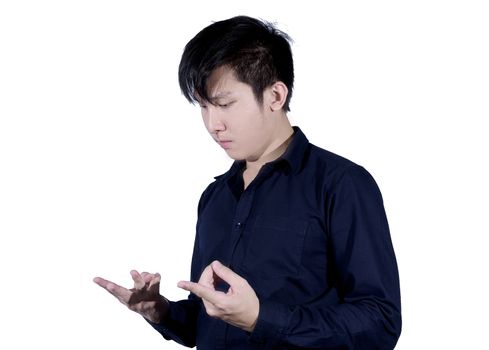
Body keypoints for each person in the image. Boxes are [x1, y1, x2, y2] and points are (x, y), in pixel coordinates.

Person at [94, 15, 402, 349]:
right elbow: (209, 320)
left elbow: (380, 321)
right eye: (204, 106)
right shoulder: (215, 197)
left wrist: (262, 318)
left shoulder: (341, 185)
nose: (214, 124)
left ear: (275, 96)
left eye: (225, 104)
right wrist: (163, 312)